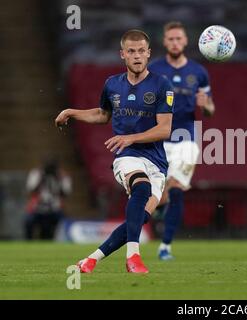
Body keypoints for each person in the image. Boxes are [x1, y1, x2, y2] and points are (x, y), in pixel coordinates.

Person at [55, 29, 173, 273]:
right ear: (123, 55)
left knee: (139, 217)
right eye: (132, 51)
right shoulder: (112, 85)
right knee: (141, 187)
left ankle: (91, 260)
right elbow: (102, 114)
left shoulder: (161, 85)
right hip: (127, 157)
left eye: (142, 51)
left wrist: (131, 137)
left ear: (149, 54)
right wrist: (71, 112)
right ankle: (133, 258)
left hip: (157, 162)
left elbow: (165, 129)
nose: (137, 56)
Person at [149, 21, 215, 260]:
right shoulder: (154, 70)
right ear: (165, 42)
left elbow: (210, 109)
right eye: (171, 39)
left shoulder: (198, 72)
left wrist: (205, 105)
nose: (175, 42)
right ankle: (159, 205)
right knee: (156, 193)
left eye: (179, 39)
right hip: (159, 138)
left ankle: (165, 247)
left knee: (176, 189)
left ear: (185, 41)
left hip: (186, 139)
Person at [24, 157, 72, 240]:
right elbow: (31, 189)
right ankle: (29, 241)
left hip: (55, 209)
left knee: (60, 224)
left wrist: (58, 180)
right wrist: (41, 178)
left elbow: (66, 193)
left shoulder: (62, 176)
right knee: (28, 221)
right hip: (37, 209)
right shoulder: (36, 173)